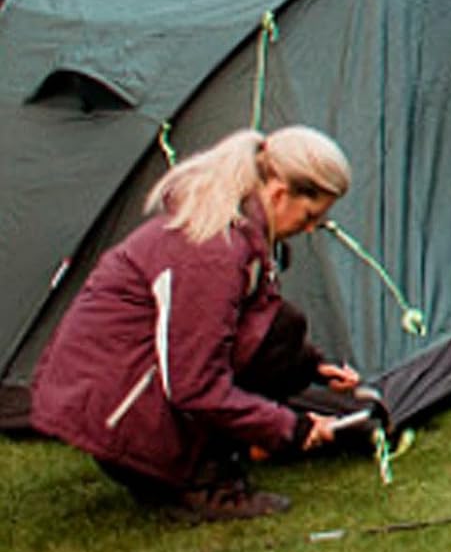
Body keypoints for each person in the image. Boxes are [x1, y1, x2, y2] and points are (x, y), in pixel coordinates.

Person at [30, 126, 360, 521]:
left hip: (126, 390)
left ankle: (216, 454)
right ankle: (201, 483)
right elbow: (193, 384)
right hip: (119, 410)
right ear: (277, 194)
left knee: (282, 329)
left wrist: (311, 367)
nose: (310, 229)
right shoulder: (211, 253)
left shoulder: (237, 232)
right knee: (272, 337)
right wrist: (291, 428)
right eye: (311, 216)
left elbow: (256, 321)